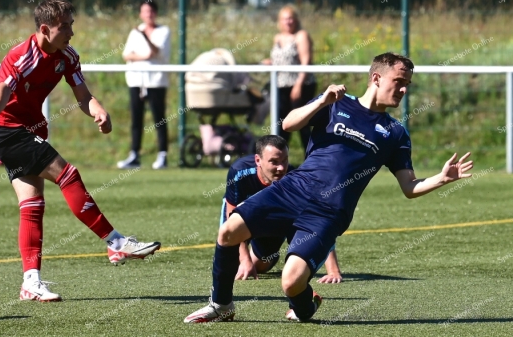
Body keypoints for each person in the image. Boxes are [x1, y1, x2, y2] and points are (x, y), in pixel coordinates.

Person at [185, 53, 474, 323]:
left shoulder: (395, 133)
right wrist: (322, 101)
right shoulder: (336, 103)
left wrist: (442, 178)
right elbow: (288, 123)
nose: (403, 90)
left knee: (290, 281)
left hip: (327, 213)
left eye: (407, 85)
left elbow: (409, 186)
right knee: (228, 231)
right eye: (399, 82)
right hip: (292, 190)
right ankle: (222, 305)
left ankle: (306, 305)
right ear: (376, 79)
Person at [0, 0, 161, 302]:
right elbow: (2, 88)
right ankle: (116, 242)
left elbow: (82, 93)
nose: (70, 32)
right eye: (64, 27)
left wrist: (98, 110)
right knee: (67, 174)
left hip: (28, 129)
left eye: (71, 25)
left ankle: (30, 282)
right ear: (44, 29)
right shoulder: (23, 55)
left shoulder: (67, 55)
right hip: (7, 130)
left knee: (33, 206)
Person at [222, 135, 343, 284]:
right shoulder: (239, 172)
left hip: (268, 215)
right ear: (258, 160)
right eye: (274, 162)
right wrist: (244, 260)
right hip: (239, 213)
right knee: (229, 248)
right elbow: (230, 213)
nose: (281, 168)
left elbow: (314, 222)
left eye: (284, 160)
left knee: (261, 265)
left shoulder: (294, 178)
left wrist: (333, 271)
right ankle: (221, 300)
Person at [117, 0, 172, 170]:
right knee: (136, 119)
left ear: (155, 13)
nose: (148, 15)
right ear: (141, 14)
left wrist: (145, 42)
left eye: (151, 11)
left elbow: (155, 52)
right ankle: (134, 154)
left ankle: (162, 154)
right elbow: (127, 55)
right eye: (145, 12)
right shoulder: (135, 32)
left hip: (155, 81)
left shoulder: (163, 31)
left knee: (159, 119)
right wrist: (144, 56)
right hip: (136, 81)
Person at [262, 5, 317, 154]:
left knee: (302, 125)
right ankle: (278, 158)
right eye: (285, 19)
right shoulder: (278, 38)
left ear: (296, 20)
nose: (288, 22)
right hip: (280, 86)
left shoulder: (301, 36)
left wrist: (298, 85)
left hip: (300, 85)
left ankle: (311, 159)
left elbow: (306, 62)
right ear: (280, 21)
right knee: (281, 125)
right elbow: (280, 59)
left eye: (291, 18)